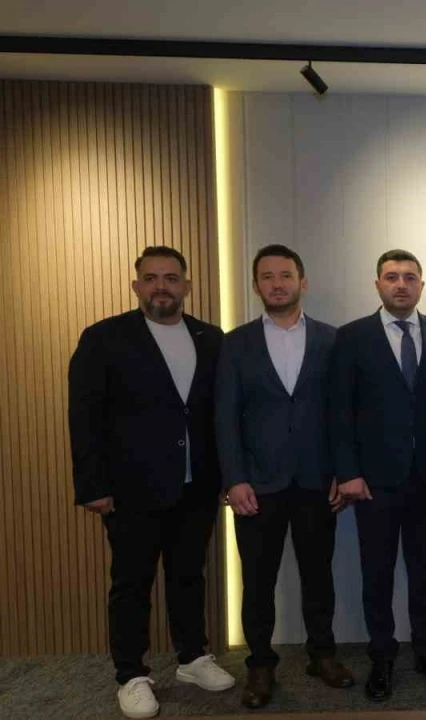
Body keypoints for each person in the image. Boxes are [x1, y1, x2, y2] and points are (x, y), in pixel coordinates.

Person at [68, 246, 233, 720]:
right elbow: (84, 416)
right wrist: (92, 485)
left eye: (171, 278)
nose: (162, 286)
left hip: (196, 486)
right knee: (131, 583)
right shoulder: (104, 338)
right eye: (152, 278)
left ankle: (192, 657)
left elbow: (220, 414)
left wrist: (227, 476)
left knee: (189, 575)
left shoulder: (211, 338)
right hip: (130, 489)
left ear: (186, 285)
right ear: (136, 285)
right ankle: (130, 674)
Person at [215, 245, 353, 708]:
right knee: (257, 583)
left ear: (302, 281)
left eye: (286, 275)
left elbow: (342, 414)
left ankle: (322, 654)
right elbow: (224, 416)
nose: (277, 284)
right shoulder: (235, 343)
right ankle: (260, 665)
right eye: (268, 277)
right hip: (257, 485)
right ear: (256, 285)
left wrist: (342, 472)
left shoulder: (333, 340)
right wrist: (234, 479)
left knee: (319, 577)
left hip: (317, 481)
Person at [329, 249, 426, 701]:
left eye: (409, 277)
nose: (401, 284)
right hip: (374, 482)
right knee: (377, 575)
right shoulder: (352, 336)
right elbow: (339, 410)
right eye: (391, 277)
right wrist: (348, 472)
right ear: (378, 284)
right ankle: (381, 657)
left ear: (421, 285)